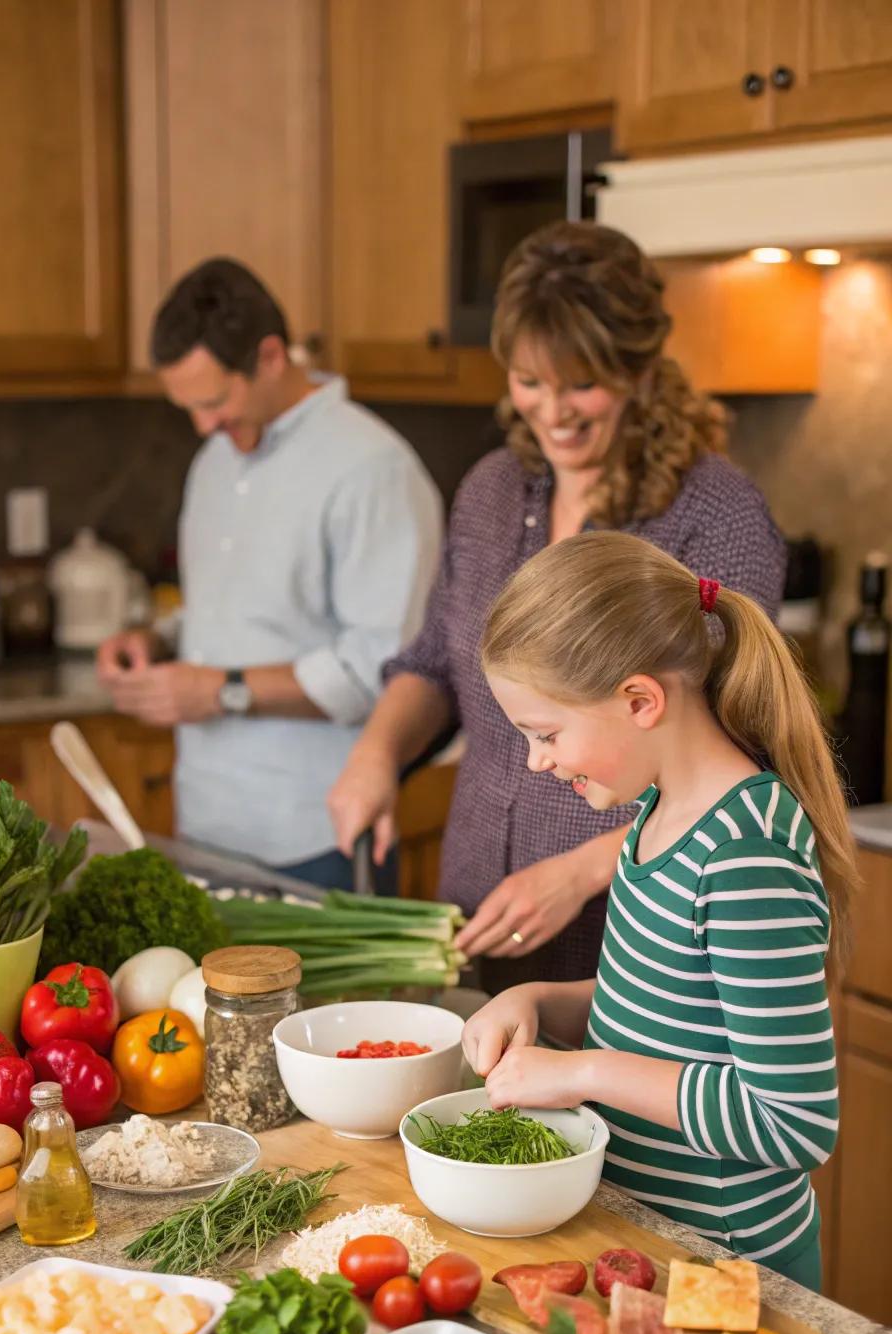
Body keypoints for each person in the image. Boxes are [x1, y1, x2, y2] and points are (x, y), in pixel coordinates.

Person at [328, 222, 787, 987]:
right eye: (531, 381)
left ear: (641, 371)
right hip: (477, 911)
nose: (555, 412)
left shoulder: (718, 516)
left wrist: (577, 873)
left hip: (635, 930)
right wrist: (375, 754)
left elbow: (743, 754)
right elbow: (437, 663)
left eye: (582, 382)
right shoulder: (489, 493)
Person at [461, 532, 854, 1288]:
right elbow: (663, 1013)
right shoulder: (660, 812)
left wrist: (583, 1075)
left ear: (640, 700)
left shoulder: (745, 858)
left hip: (730, 1263)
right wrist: (536, 1000)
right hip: (648, 1238)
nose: (539, 761)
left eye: (546, 734)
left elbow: (794, 1123)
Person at [97, 258, 442, 888]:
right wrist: (160, 640)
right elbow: (243, 608)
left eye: (215, 400)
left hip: (318, 832)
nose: (203, 425)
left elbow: (385, 666)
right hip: (207, 822)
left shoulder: (372, 469)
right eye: (189, 408)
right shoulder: (214, 462)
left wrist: (219, 690)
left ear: (271, 356)